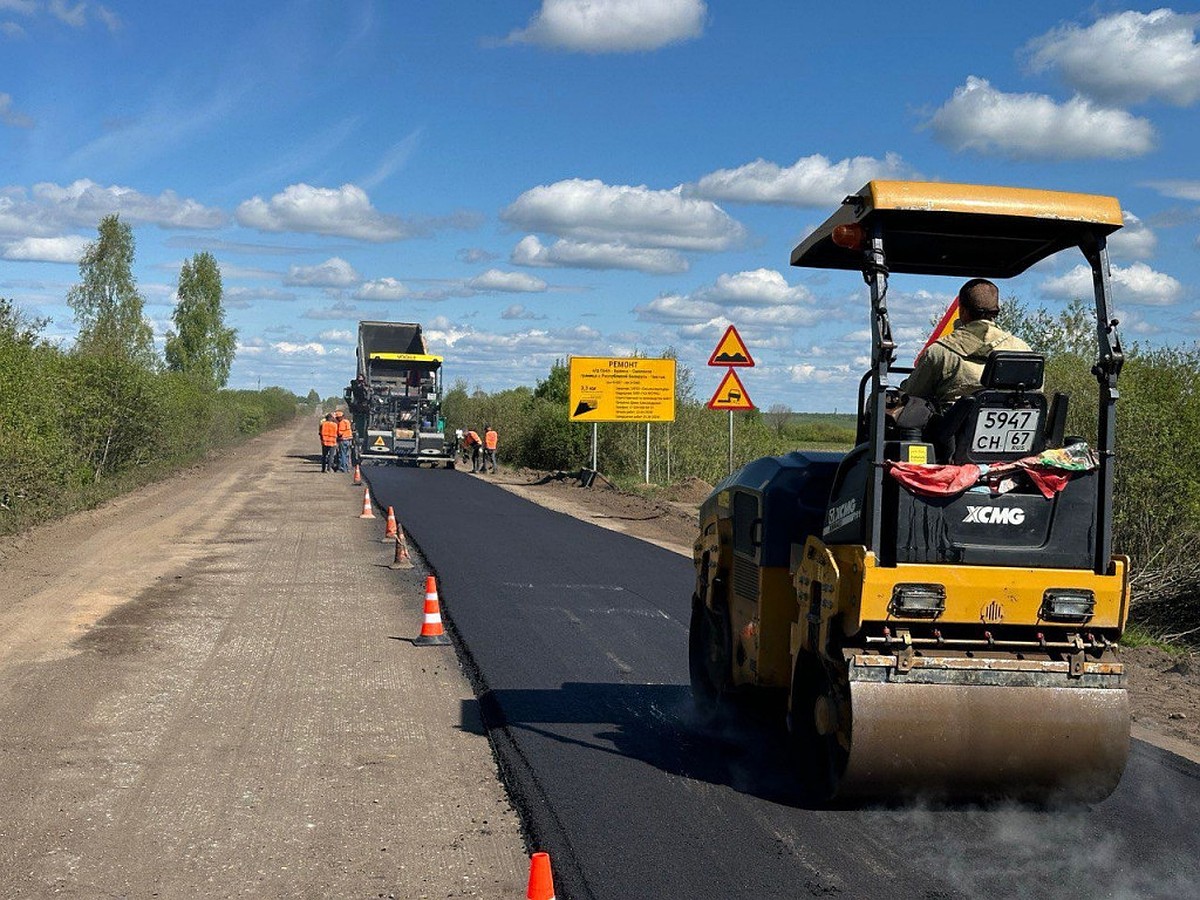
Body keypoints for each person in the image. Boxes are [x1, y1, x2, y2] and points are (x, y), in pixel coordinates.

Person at [900, 278, 1031, 412]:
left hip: (952, 431)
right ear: (996, 311)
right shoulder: (1024, 351)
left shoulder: (940, 351)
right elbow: (1034, 395)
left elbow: (912, 394)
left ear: (962, 311)